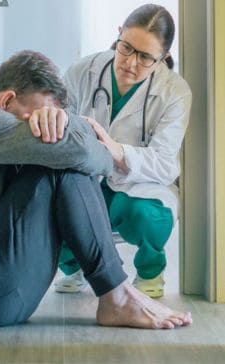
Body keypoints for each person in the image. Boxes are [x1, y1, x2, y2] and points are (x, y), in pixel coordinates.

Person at [0, 50, 192, 329]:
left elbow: (93, 157)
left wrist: (66, 120)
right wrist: (71, 127)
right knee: (60, 165)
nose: (42, 126)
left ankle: (118, 292)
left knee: (60, 158)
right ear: (7, 100)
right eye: (37, 118)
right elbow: (97, 156)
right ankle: (116, 296)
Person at [50, 4, 192, 298]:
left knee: (149, 216)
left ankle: (149, 272)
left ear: (162, 58)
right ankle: (71, 266)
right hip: (86, 175)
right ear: (118, 35)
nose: (130, 63)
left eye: (145, 57)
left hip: (138, 184)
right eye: (126, 47)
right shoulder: (83, 71)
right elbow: (59, 124)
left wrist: (115, 150)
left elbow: (165, 163)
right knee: (56, 205)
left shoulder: (175, 92)